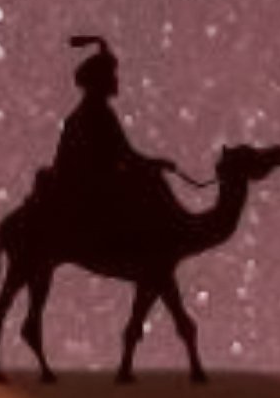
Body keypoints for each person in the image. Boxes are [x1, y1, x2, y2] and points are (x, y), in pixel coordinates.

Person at [40, 33, 188, 249]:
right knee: (148, 185)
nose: (116, 80)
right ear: (101, 80)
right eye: (111, 75)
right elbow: (122, 155)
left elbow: (123, 153)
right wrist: (153, 165)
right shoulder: (94, 113)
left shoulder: (95, 111)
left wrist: (151, 164)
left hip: (93, 180)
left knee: (148, 180)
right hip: (89, 186)